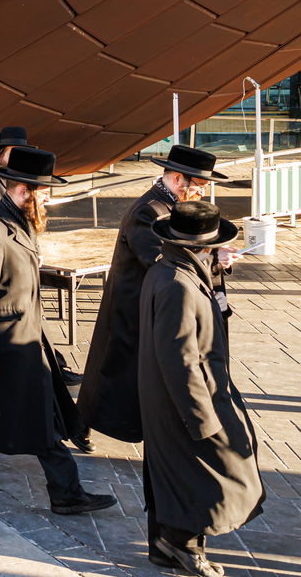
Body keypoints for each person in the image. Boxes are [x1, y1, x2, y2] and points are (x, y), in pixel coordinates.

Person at [0, 147, 115, 516]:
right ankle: (66, 493)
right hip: (6, 342)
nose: (47, 199)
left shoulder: (19, 224)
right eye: (44, 192)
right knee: (38, 416)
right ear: (25, 190)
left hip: (26, 337)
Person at [138, 202, 263, 576]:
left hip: (177, 396)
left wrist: (216, 269)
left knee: (176, 471)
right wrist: (200, 417)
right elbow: (180, 359)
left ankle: (165, 548)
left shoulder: (174, 270)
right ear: (200, 247)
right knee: (204, 472)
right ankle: (183, 547)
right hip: (186, 399)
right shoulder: (177, 285)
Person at [78, 145, 231, 448]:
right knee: (113, 370)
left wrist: (214, 257)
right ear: (177, 179)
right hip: (133, 303)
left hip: (156, 301)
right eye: (200, 185)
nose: (202, 192)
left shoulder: (174, 207)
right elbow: (160, 259)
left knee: (131, 372)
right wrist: (211, 259)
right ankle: (80, 423)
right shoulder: (149, 211)